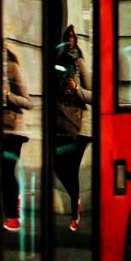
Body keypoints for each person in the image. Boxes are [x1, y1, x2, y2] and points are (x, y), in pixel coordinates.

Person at [52, 25, 92, 231]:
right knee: (58, 164)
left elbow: (96, 95)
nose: (70, 40)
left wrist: (77, 90)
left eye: (73, 37)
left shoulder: (80, 62)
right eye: (67, 36)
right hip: (63, 125)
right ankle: (76, 200)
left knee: (72, 168)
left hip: (81, 127)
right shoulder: (58, 61)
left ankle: (75, 213)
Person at [2, 45, 32, 232]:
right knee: (3, 173)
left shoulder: (12, 67)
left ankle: (12, 217)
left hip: (13, 132)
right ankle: (12, 207)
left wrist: (7, 95)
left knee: (6, 172)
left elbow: (28, 102)